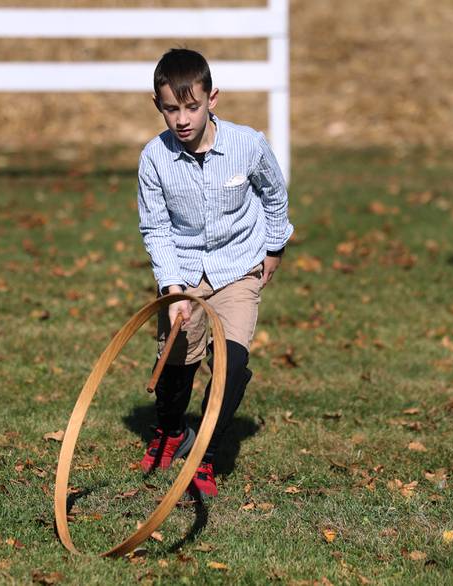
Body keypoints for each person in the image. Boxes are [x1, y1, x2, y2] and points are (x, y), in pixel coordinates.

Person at [136, 48, 293, 496]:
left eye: (192, 106)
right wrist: (173, 288)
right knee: (177, 362)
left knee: (232, 364)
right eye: (171, 108)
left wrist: (275, 246)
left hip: (238, 267)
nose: (182, 119)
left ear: (212, 99)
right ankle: (169, 430)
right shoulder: (154, 158)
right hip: (183, 270)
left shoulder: (247, 145)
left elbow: (274, 195)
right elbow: (156, 228)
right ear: (158, 106)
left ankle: (203, 455)